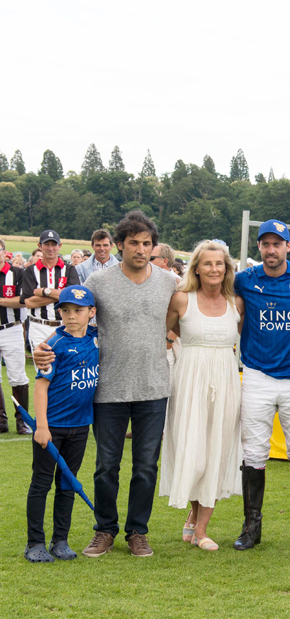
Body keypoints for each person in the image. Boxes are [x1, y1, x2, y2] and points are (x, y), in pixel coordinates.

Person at [35, 211, 178, 558]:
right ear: (119, 245)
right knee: (106, 466)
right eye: (133, 243)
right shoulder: (98, 283)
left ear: (154, 246)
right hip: (108, 390)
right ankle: (105, 529)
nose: (140, 249)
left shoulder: (170, 282)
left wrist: (173, 336)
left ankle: (138, 532)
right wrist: (46, 346)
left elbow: (185, 317)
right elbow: (74, 318)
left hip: (154, 389)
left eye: (147, 243)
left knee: (146, 466)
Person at [232, 219, 290, 551]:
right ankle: (251, 528)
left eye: (277, 243)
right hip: (256, 376)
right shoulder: (244, 280)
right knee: (254, 452)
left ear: (288, 246)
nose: (271, 250)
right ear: (259, 247)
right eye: (265, 244)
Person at [159, 240, 244, 551]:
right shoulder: (182, 300)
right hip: (189, 381)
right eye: (207, 264)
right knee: (192, 448)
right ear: (196, 267)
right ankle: (193, 515)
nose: (214, 269)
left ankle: (202, 529)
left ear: (227, 268)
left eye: (219, 264)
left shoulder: (236, 303)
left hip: (225, 381)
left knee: (216, 450)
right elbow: (166, 332)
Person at [24, 285, 99, 562]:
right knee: (41, 483)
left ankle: (61, 540)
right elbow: (41, 387)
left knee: (68, 483)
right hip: (52, 426)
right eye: (65, 310)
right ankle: (35, 543)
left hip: (81, 427)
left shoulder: (95, 336)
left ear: (91, 313)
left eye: (78, 311)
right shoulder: (54, 344)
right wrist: (41, 426)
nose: (71, 316)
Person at [20, 230, 81, 352]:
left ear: (59, 246)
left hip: (65, 325)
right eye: (46, 244)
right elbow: (29, 303)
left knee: (66, 367)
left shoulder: (69, 269)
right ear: (39, 246)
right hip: (39, 326)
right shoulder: (31, 271)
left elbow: (74, 298)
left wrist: (45, 291)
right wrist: (61, 294)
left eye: (54, 244)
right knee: (44, 368)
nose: (50, 248)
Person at [0, 238, 30, 434]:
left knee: (18, 377)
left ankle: (23, 421)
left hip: (11, 328)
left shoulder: (18, 273)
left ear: (5, 252)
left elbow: (23, 300)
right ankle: (1, 421)